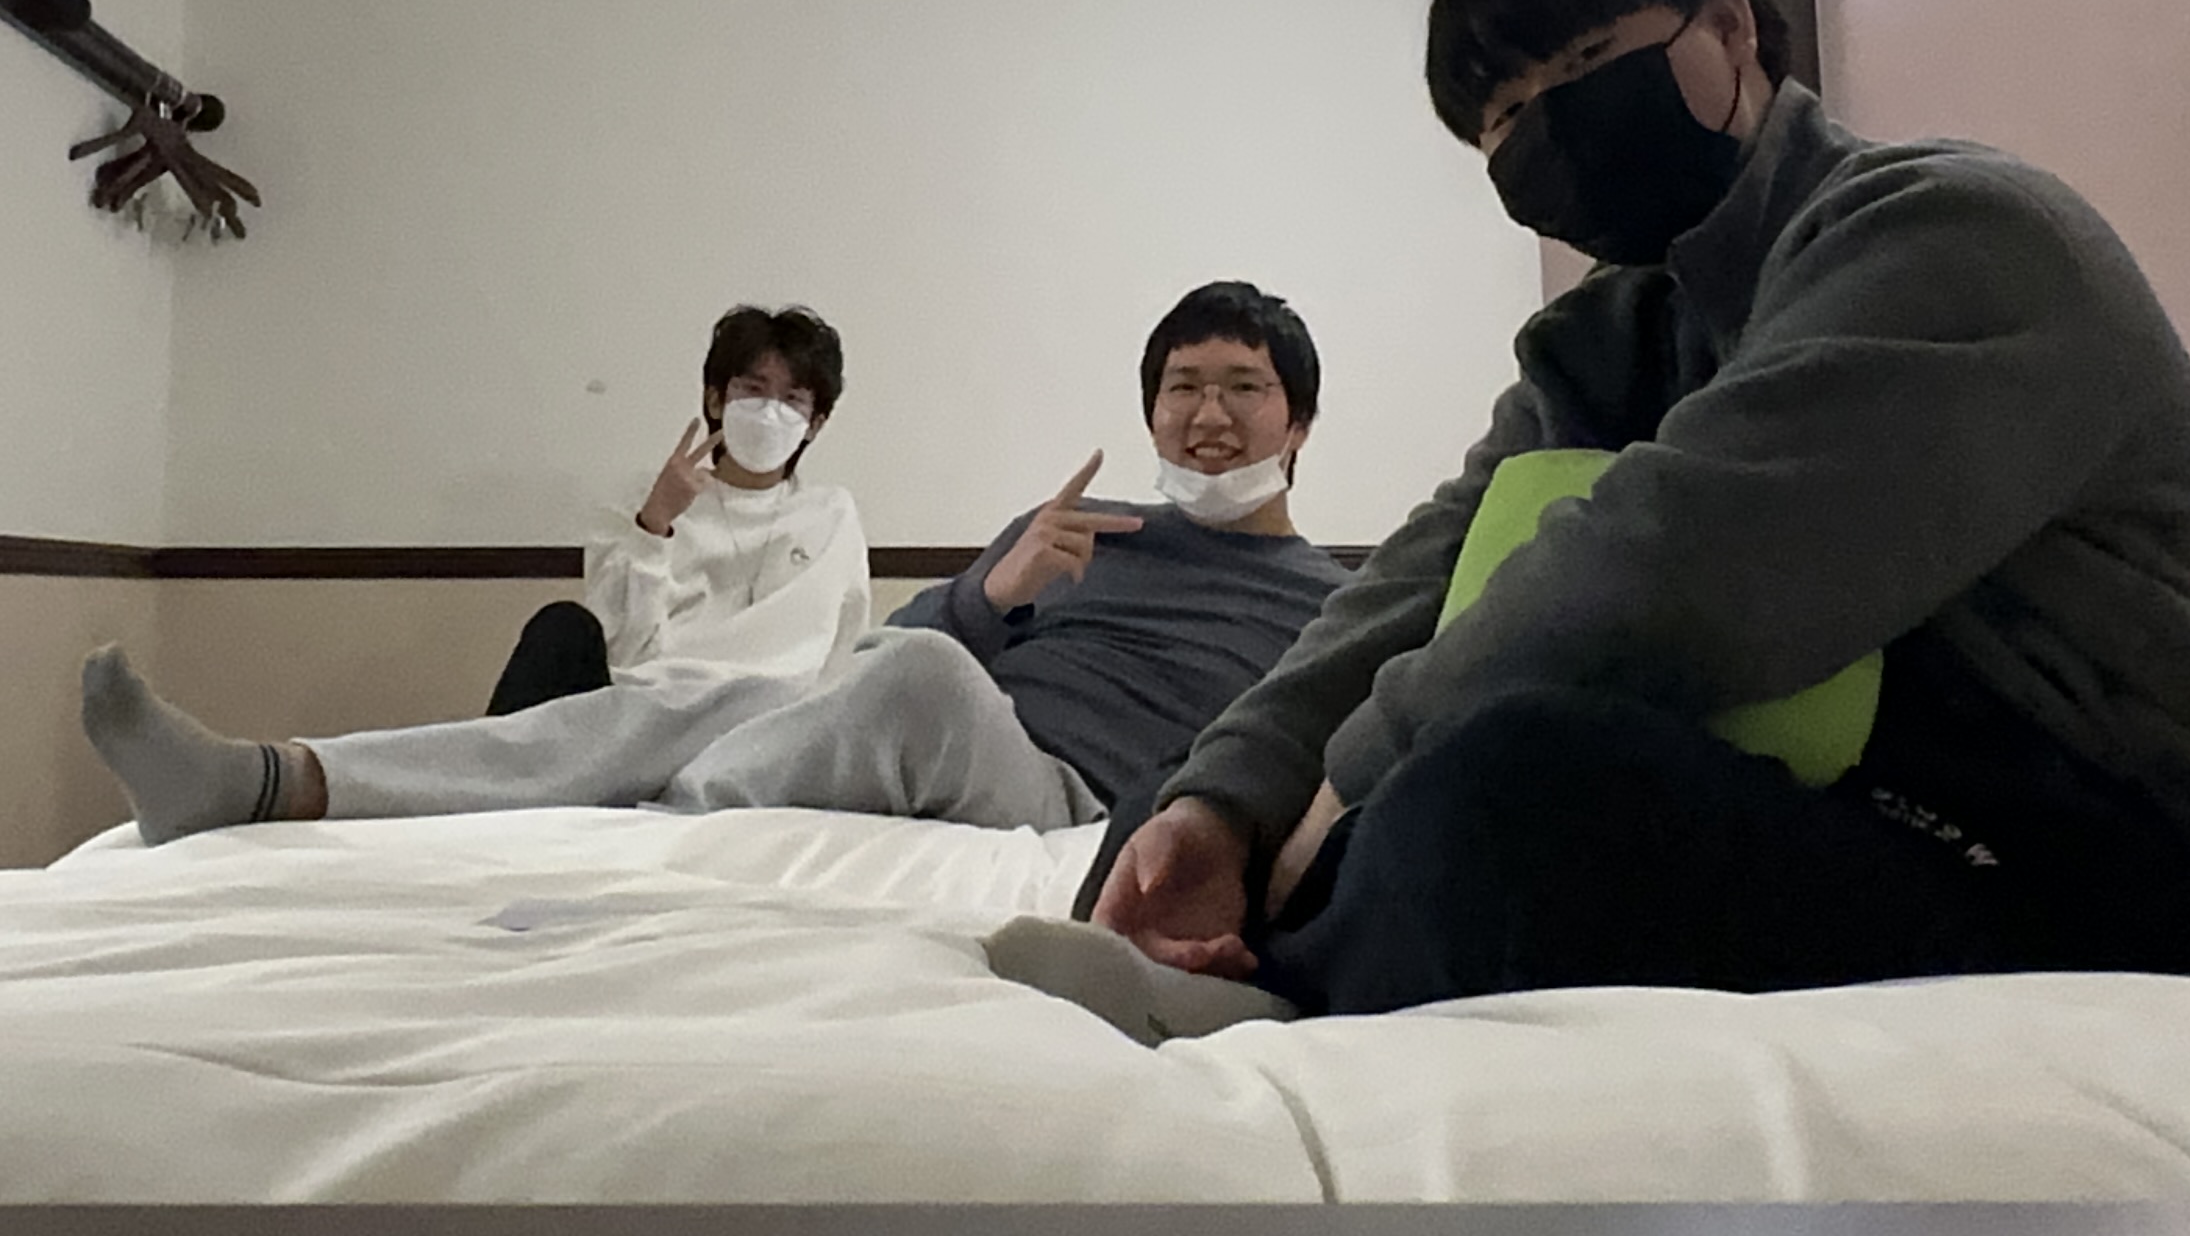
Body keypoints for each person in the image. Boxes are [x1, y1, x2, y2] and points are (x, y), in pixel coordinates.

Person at [1000, 0, 2190, 1047]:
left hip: (2186, 885)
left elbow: (1671, 575)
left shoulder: (1955, 237)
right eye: (1504, 122)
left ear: (1731, 33)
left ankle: (1269, 994)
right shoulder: (1615, 341)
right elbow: (1415, 584)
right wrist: (1220, 804)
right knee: (1218, 787)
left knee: (1501, 787)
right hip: (1921, 847)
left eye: (1579, 68)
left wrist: (1342, 786)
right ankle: (1232, 965)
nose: (1545, 134)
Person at [75, 283, 1349, 840]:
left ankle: (638, 829)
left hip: (1073, 801)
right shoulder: (1080, 530)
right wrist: (991, 592)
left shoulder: (1335, 599)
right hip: (933, 736)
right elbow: (886, 647)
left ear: (1297, 423)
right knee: (700, 696)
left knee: (910, 682)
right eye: (1183, 387)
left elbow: (1318, 758)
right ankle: (274, 781)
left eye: (1243, 388)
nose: (1208, 415)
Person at [484, 304, 870, 713]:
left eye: (792, 399)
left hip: (773, 724)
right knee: (561, 626)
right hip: (654, 709)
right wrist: (654, 524)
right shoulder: (643, 497)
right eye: (753, 390)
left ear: (814, 424)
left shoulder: (831, 514)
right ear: (716, 400)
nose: (770, 412)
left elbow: (845, 660)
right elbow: (622, 651)